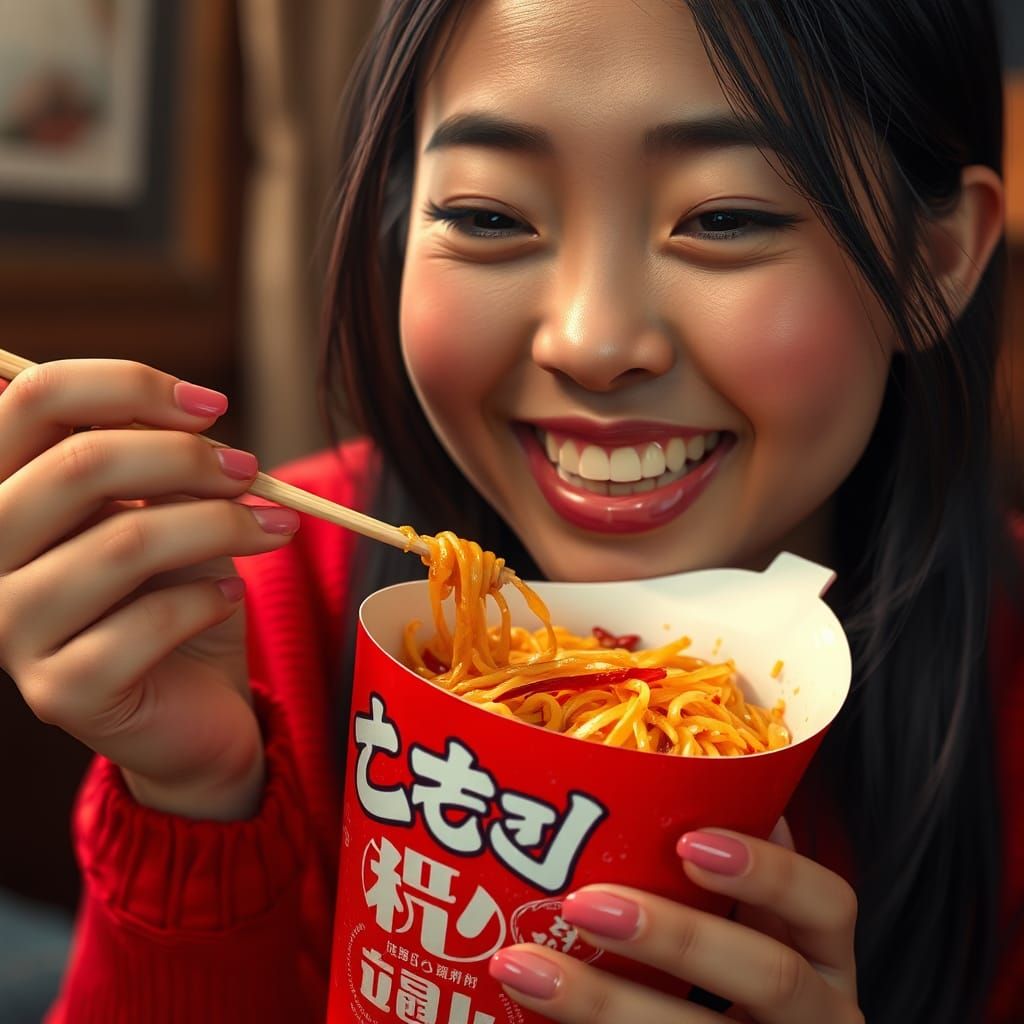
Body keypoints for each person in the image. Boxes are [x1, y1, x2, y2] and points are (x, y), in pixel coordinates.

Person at [0, 0, 1019, 1020]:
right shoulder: (242, 600)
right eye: (489, 216)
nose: (589, 339)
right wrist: (197, 802)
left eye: (724, 218)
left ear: (930, 262)